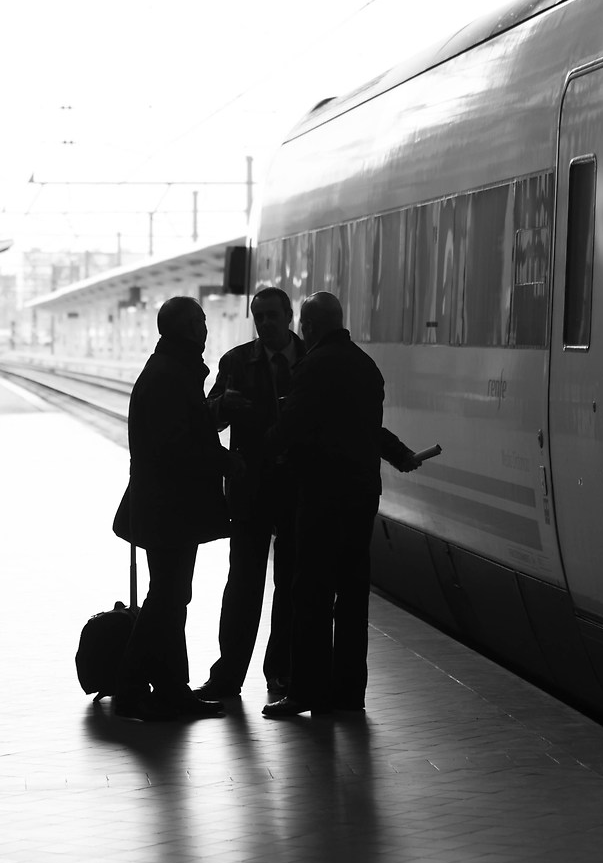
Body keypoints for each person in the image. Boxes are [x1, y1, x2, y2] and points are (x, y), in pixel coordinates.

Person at [262, 290, 427, 719]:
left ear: (310, 326)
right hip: (361, 496)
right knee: (352, 595)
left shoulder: (313, 366)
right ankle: (349, 693)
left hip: (321, 496)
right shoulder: (366, 367)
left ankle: (306, 691)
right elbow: (367, 429)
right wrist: (400, 454)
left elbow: (293, 425)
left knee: (311, 594)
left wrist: (259, 453)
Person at [110, 296, 231, 721]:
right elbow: (178, 446)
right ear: (184, 329)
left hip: (169, 505)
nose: (205, 328)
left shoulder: (173, 370)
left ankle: (171, 688)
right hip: (169, 507)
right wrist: (225, 461)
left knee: (171, 595)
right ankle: (131, 688)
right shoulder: (169, 376)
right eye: (199, 321)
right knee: (167, 596)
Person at [196, 287, 304, 704]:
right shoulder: (236, 362)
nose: (266, 323)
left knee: (291, 585)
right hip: (250, 488)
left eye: (273, 315)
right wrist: (223, 405)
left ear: (289, 315)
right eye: (259, 316)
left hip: (296, 488)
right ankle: (228, 676)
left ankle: (282, 673)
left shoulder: (310, 360)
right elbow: (207, 419)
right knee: (243, 585)